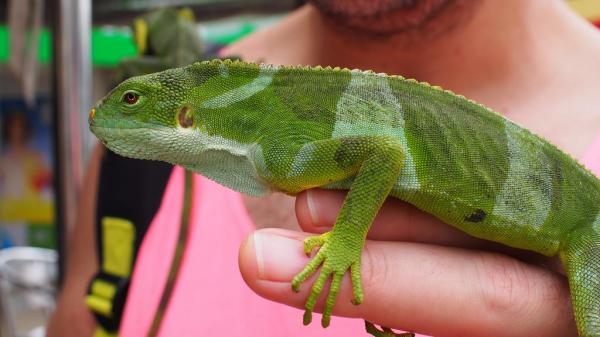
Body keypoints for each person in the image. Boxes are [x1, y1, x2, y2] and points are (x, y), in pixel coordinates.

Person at [48, 0, 600, 336]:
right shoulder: (132, 183)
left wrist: (344, 245)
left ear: (187, 115)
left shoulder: (288, 152)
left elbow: (382, 154)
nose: (106, 115)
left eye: (132, 106)